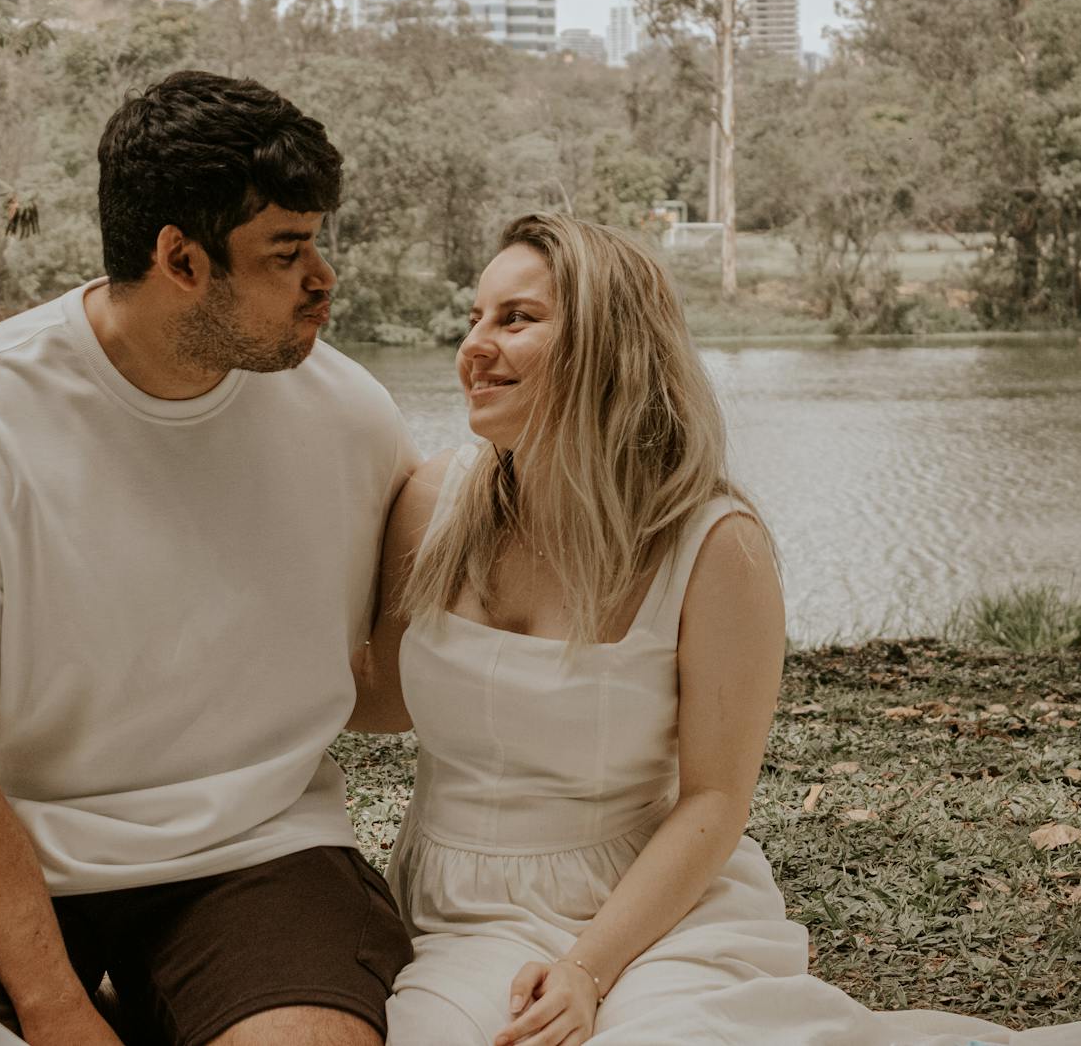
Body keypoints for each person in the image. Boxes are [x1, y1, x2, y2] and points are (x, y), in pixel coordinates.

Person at [0, 71, 416, 1046]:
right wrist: (55, 1009)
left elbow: (384, 681)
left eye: (316, 245)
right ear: (179, 258)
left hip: (254, 845)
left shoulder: (351, 418)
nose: (321, 279)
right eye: (286, 252)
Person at [350, 213, 992, 1046]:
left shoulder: (716, 545)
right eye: (475, 317)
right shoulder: (433, 502)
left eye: (516, 318)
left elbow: (716, 798)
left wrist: (586, 967)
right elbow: (382, 695)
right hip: (461, 917)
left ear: (609, 343)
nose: (474, 344)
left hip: (654, 908)